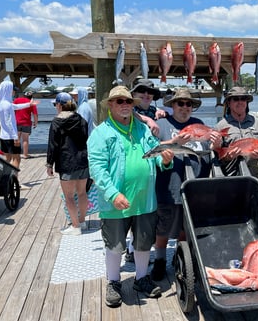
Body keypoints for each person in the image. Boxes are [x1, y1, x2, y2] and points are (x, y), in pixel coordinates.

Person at [87, 85, 174, 308]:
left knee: (144, 243)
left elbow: (154, 155)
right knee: (115, 245)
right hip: (115, 203)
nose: (124, 105)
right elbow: (97, 169)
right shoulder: (100, 133)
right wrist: (113, 194)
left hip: (146, 201)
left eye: (128, 101)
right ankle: (114, 282)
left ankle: (141, 278)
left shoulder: (144, 130)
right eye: (119, 101)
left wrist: (164, 160)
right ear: (110, 105)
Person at [150, 88, 219, 281]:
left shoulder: (199, 124)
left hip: (195, 188)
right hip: (168, 187)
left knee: (185, 227)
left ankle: (181, 257)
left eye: (188, 104)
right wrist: (174, 141)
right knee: (163, 228)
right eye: (180, 103)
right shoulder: (161, 124)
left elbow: (209, 149)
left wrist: (216, 143)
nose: (185, 107)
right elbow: (151, 149)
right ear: (172, 105)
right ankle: (160, 260)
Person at [124, 78, 166, 263]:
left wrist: (158, 115)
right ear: (133, 95)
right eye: (142, 92)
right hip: (133, 167)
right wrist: (148, 118)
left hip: (154, 166)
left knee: (148, 212)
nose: (146, 95)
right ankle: (131, 248)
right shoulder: (129, 110)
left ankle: (140, 247)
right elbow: (129, 114)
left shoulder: (155, 112)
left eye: (150, 93)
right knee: (133, 210)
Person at [46, 92, 89, 235]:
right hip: (83, 160)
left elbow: (53, 145)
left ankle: (75, 227)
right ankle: (82, 222)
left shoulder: (56, 121)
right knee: (82, 193)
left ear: (59, 105)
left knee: (69, 196)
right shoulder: (81, 119)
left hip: (66, 162)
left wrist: (49, 164)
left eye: (55, 104)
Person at [214, 86, 258, 178]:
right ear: (229, 103)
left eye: (243, 99)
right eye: (235, 99)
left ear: (247, 102)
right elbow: (216, 157)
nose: (240, 102)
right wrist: (227, 157)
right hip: (230, 178)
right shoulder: (220, 127)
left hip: (254, 178)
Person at [0, 81, 38, 169]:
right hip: (11, 137)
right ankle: (14, 179)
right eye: (13, 90)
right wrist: (16, 137)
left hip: (3, 136)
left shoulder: (0, 103)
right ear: (8, 90)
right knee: (17, 159)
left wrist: (29, 104)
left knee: (8, 158)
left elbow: (15, 107)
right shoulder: (8, 105)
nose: (14, 92)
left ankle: (0, 176)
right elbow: (9, 122)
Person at [14, 91, 38, 159]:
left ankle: (16, 154)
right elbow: (35, 114)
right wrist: (35, 123)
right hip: (26, 123)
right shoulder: (32, 103)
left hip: (17, 122)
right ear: (31, 97)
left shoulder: (17, 100)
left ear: (24, 96)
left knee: (16, 139)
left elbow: (12, 110)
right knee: (25, 140)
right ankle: (25, 155)